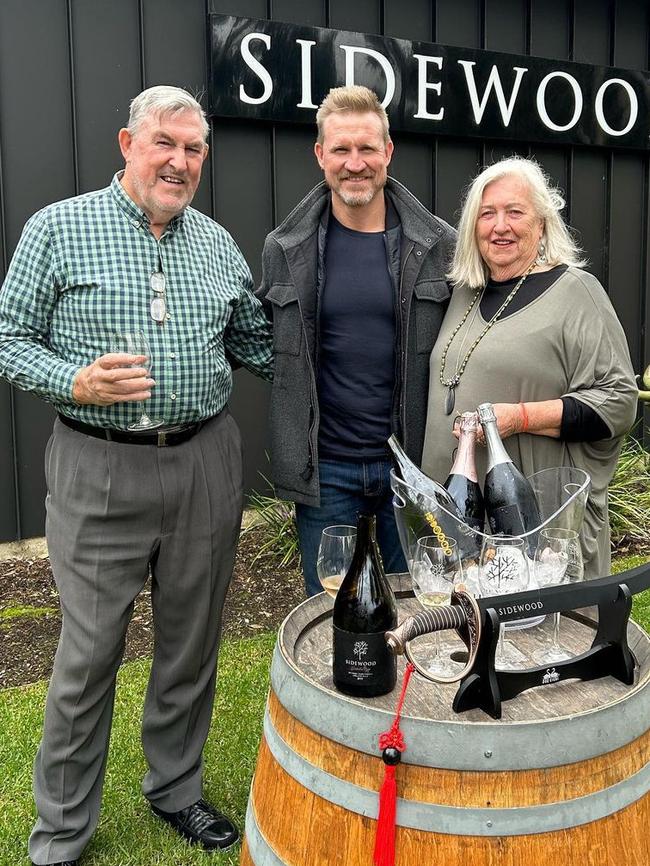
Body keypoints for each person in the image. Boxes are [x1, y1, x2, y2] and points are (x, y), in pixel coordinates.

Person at [0, 85, 273, 866]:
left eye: (193, 149)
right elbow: (8, 336)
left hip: (205, 462)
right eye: (165, 143)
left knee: (190, 643)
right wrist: (74, 381)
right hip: (99, 464)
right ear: (128, 143)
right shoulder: (58, 228)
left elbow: (257, 345)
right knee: (87, 656)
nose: (179, 161)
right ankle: (59, 834)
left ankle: (176, 790)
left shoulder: (218, 243)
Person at [257, 85, 456, 596]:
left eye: (367, 148)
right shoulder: (286, 248)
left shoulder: (438, 246)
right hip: (327, 471)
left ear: (388, 152)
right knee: (332, 612)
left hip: (410, 468)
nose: (355, 163)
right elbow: (271, 346)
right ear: (320, 154)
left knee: (419, 608)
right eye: (341, 149)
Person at [421, 156, 637, 579]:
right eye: (488, 214)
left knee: (545, 640)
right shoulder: (465, 292)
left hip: (535, 530)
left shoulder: (576, 292)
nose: (500, 226)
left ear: (541, 223)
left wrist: (518, 418)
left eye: (515, 212)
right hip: (461, 524)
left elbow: (619, 401)